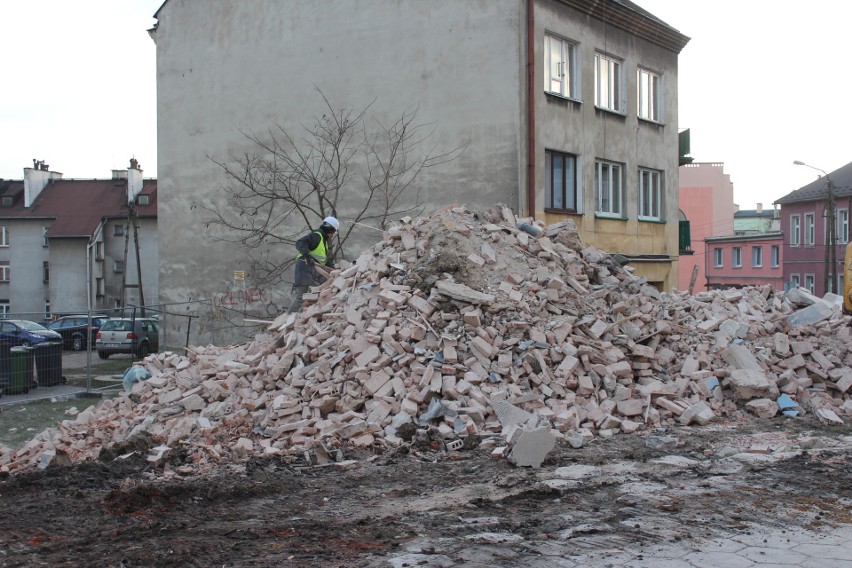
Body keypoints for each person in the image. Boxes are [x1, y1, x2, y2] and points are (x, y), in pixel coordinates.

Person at [287, 216, 339, 312]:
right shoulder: (317, 235)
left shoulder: (323, 243)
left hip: (314, 270)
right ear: (330, 229)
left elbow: (323, 261)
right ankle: (287, 320)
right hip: (304, 267)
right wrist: (307, 255)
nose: (332, 235)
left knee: (316, 295)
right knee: (301, 296)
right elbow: (300, 242)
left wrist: (334, 268)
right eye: (333, 232)